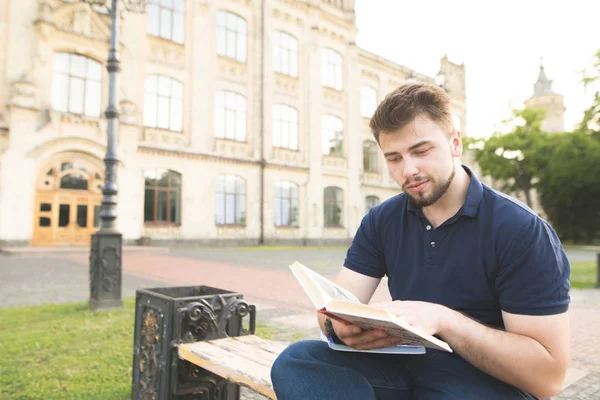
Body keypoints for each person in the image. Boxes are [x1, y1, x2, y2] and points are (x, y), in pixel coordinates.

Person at [271, 82, 570, 400]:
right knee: (297, 361)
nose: (408, 170)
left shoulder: (521, 230)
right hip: (406, 366)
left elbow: (547, 378)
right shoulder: (382, 219)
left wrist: (445, 321)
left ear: (455, 143)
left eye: (421, 151)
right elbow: (337, 305)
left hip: (486, 382)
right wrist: (337, 327)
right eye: (394, 158)